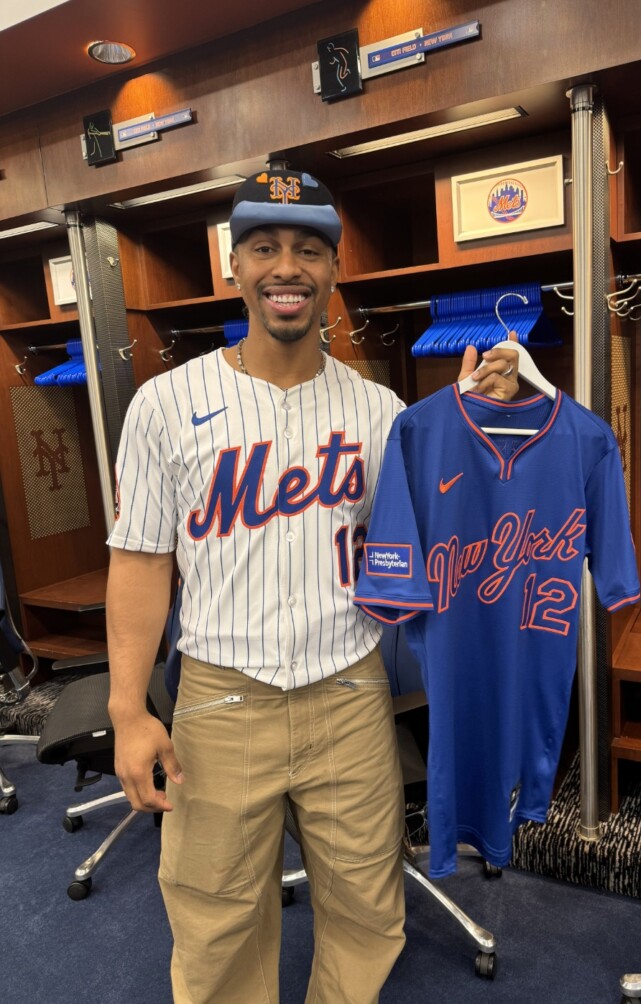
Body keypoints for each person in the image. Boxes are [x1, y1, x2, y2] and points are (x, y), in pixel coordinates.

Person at [105, 167, 519, 1004]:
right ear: (235, 264)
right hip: (222, 701)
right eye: (264, 247)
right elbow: (143, 560)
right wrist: (127, 710)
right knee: (215, 917)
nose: (284, 267)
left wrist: (475, 428)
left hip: (348, 694)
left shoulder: (379, 411)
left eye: (306, 249)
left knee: (368, 905)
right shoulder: (163, 403)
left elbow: (441, 539)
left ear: (333, 271)